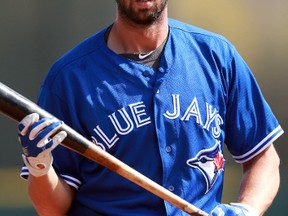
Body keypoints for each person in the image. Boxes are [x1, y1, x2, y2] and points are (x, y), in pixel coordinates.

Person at [17, 0, 284, 215]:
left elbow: (263, 157)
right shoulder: (69, 78)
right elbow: (51, 209)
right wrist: (41, 168)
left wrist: (246, 209)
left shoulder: (216, 56)